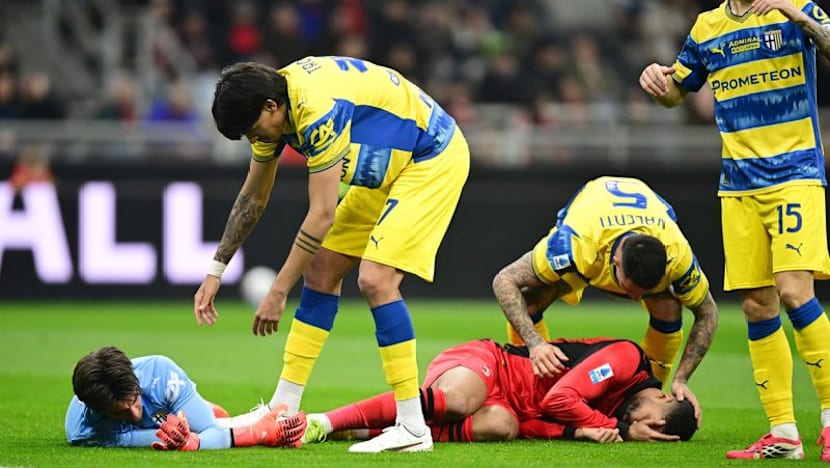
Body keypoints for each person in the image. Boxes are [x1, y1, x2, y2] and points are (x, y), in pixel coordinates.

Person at [194, 56, 470, 453]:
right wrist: (216, 270)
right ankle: (284, 409)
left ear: (271, 107)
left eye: (253, 131)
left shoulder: (316, 110)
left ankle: (412, 426)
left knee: (376, 279)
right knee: (322, 268)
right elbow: (253, 196)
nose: (255, 140)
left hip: (431, 156)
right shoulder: (275, 104)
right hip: (391, 164)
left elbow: (322, 214)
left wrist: (278, 290)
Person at [639, 0, 830, 461]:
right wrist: (657, 82)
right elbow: (676, 92)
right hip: (738, 186)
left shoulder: (795, 7)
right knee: (756, 305)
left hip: (795, 174)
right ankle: (783, 433)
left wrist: (800, 18)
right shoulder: (708, 26)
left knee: (794, 291)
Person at [492, 176, 719, 419]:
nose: (635, 299)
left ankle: (648, 390)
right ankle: (533, 388)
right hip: (595, 217)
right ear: (616, 262)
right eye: (630, 289)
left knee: (668, 306)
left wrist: (681, 379)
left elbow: (708, 312)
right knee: (530, 302)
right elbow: (504, 279)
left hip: (640, 211)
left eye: (644, 292)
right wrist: (535, 344)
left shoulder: (678, 256)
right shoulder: (575, 246)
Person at [300, 337, 697, 448]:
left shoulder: (610, 415)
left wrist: (580, 431)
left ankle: (363, 430)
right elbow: (558, 399)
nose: (635, 423)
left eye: (648, 431)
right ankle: (323, 422)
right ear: (663, 397)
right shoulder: (627, 358)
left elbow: (535, 423)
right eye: (647, 422)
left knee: (503, 426)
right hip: (491, 364)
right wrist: (617, 429)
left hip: (511, 407)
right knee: (458, 404)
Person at [65, 346, 307, 450]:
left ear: (135, 379)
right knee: (200, 424)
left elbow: (211, 432)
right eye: (121, 412)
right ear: (99, 410)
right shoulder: (87, 432)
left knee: (214, 418)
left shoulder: (160, 372)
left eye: (135, 401)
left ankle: (194, 407)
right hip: (153, 419)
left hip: (164, 401)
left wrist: (194, 441)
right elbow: (198, 438)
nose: (135, 414)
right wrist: (256, 433)